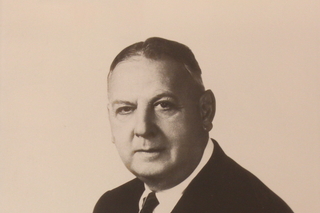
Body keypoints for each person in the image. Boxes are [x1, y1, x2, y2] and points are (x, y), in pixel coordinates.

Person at [93, 37, 293, 213]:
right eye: (126, 109)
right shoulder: (112, 205)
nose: (143, 128)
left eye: (164, 105)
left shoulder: (256, 208)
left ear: (205, 111)